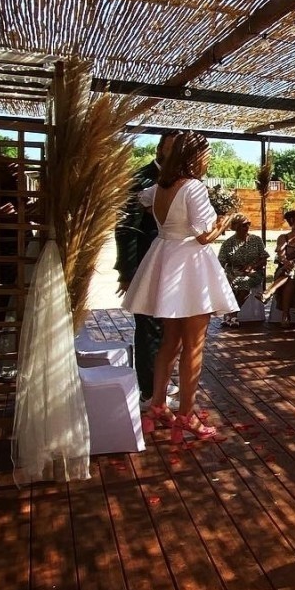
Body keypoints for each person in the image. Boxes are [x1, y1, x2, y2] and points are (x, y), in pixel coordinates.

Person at [122, 131, 235, 442]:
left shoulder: (158, 188)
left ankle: (156, 405)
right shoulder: (194, 188)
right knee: (193, 346)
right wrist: (222, 224)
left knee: (169, 342)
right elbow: (203, 236)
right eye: (206, 154)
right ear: (194, 157)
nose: (208, 159)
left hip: (164, 259)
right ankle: (186, 414)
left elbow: (144, 203)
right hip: (190, 267)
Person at [115, 133, 175, 401]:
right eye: (172, 148)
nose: (176, 154)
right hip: (145, 264)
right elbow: (126, 230)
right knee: (149, 325)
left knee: (164, 326)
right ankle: (150, 391)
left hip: (171, 268)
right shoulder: (141, 179)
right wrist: (127, 272)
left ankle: (160, 382)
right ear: (160, 148)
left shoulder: (179, 181)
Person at [216, 215, 268, 327]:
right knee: (230, 282)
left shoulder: (256, 240)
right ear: (236, 227)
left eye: (248, 224)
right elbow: (221, 262)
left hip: (254, 272)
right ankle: (230, 316)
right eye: (244, 225)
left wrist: (252, 266)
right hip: (234, 271)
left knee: (244, 283)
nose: (247, 227)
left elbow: (264, 258)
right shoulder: (228, 243)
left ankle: (232, 315)